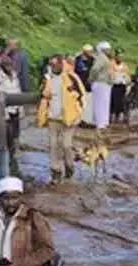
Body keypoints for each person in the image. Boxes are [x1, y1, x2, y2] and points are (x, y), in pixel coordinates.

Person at [37, 55, 86, 184]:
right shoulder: (47, 78)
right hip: (53, 116)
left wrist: (79, 112)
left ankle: (69, 166)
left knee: (66, 145)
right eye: (51, 65)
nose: (53, 67)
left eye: (55, 64)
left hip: (69, 118)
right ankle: (56, 172)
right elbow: (42, 94)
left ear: (61, 64)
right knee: (53, 145)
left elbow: (81, 95)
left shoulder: (71, 77)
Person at [0, 58, 23, 176]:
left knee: (15, 137)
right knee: (7, 137)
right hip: (4, 112)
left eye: (11, 64)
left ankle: (13, 160)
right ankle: (7, 164)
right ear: (2, 66)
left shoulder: (15, 76)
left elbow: (18, 92)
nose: (9, 67)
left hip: (15, 110)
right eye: (7, 65)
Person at [88, 42, 112, 131]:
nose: (109, 51)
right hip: (100, 82)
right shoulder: (101, 58)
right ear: (103, 50)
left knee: (104, 103)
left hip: (104, 83)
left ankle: (103, 122)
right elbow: (95, 69)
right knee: (100, 104)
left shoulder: (104, 58)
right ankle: (100, 123)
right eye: (108, 49)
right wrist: (91, 78)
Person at [74, 44, 94, 126]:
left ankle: (88, 120)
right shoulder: (78, 60)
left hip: (88, 84)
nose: (90, 53)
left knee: (89, 102)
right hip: (80, 83)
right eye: (89, 51)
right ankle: (80, 119)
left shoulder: (92, 60)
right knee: (80, 102)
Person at [109, 50, 129, 124]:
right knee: (112, 102)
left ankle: (118, 117)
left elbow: (127, 76)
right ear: (116, 57)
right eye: (119, 57)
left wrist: (125, 79)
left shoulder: (125, 66)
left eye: (121, 57)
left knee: (121, 102)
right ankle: (110, 117)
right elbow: (110, 74)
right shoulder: (111, 64)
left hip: (121, 86)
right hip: (114, 86)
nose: (120, 58)